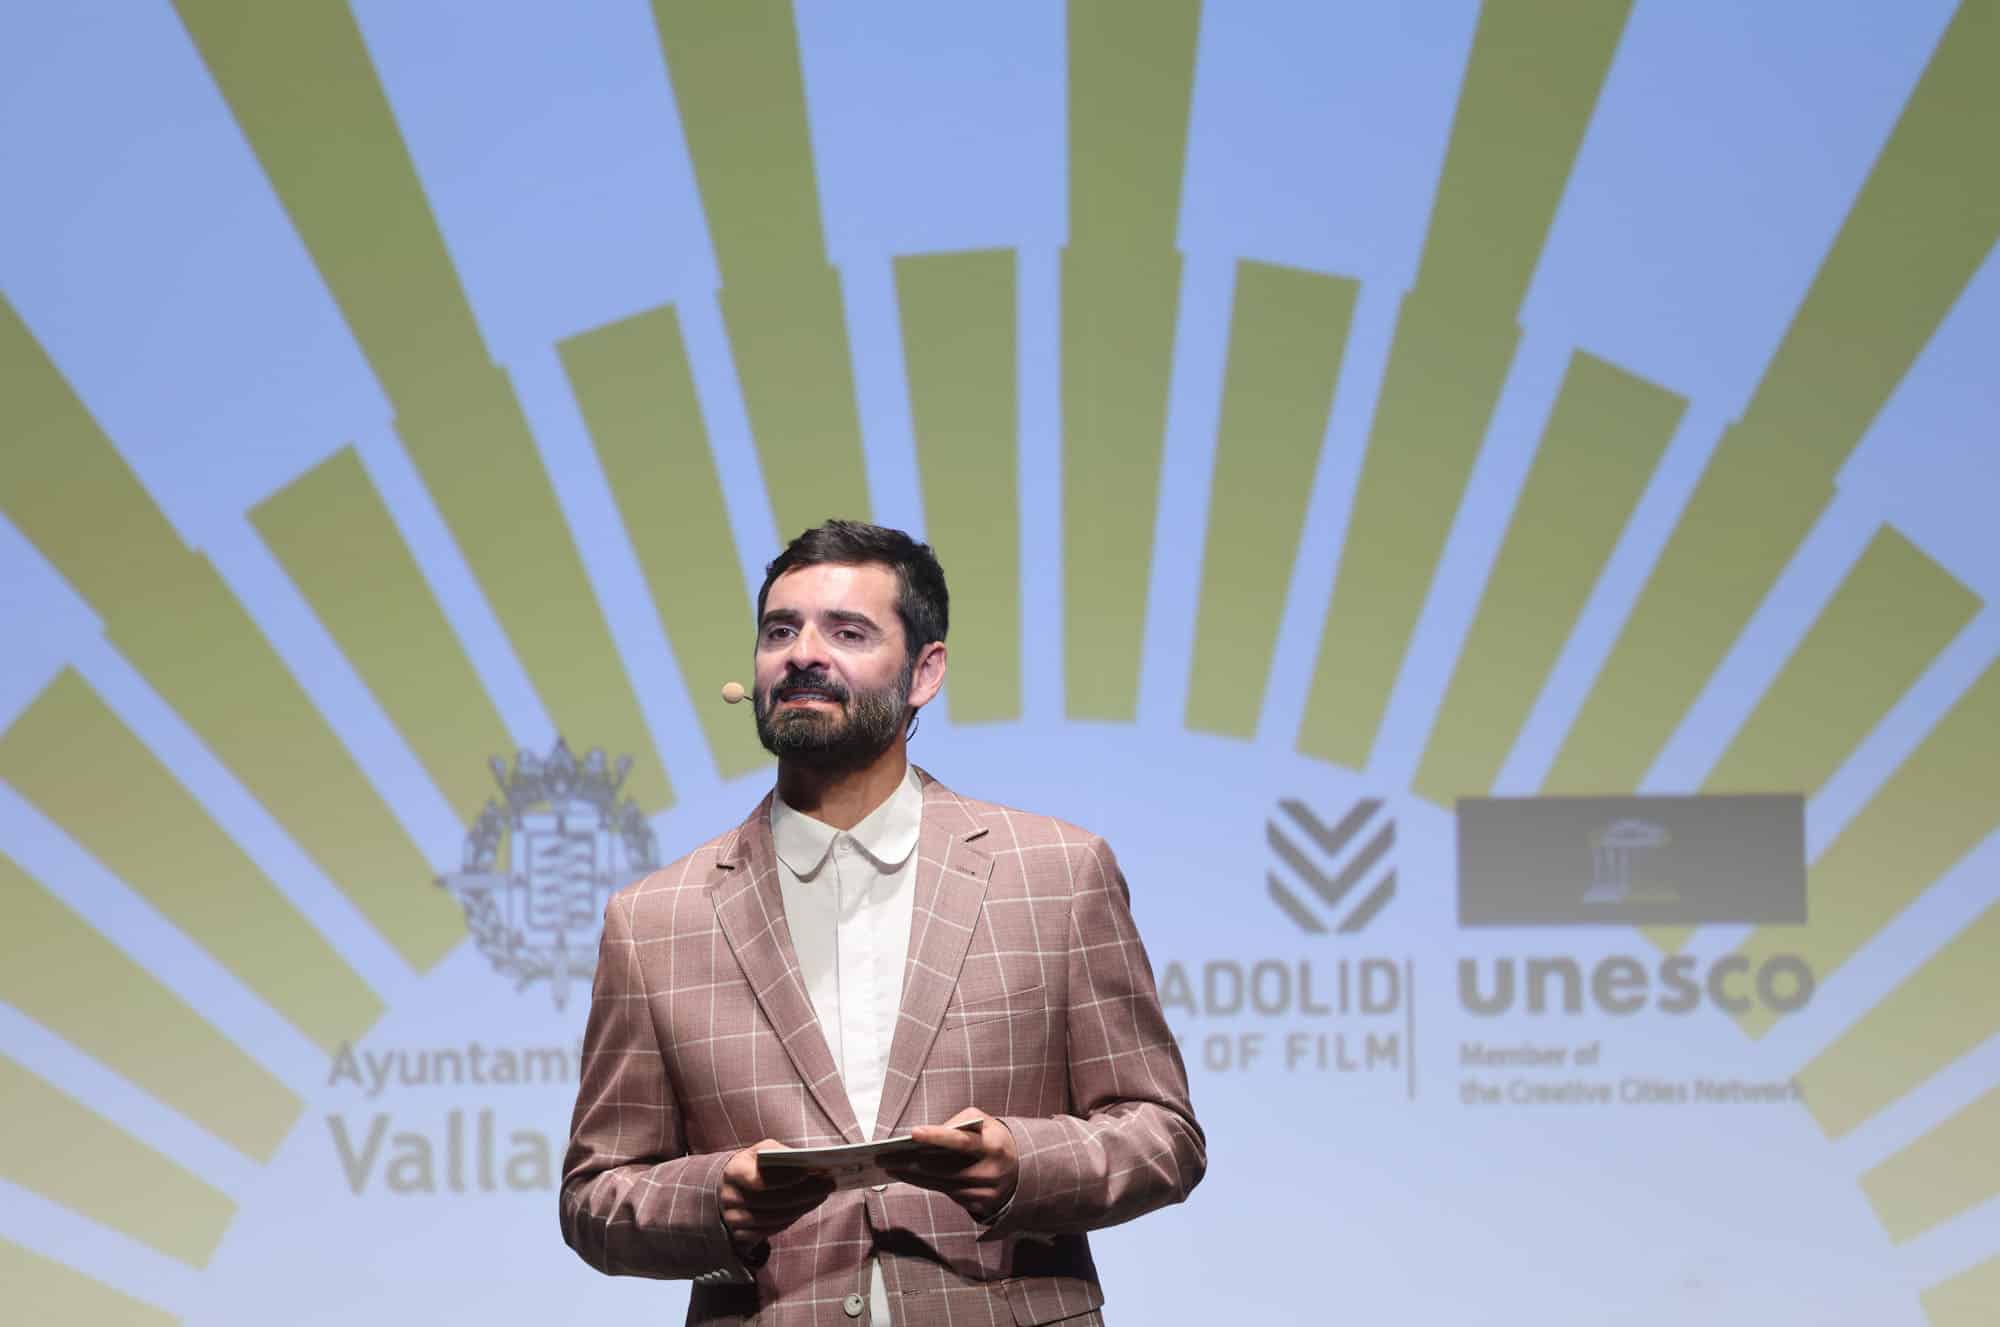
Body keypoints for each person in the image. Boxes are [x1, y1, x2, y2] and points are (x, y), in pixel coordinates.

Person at [561, 519, 1204, 1325]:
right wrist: (713, 1198)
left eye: (848, 632)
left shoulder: (1057, 872)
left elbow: (1163, 1133)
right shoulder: (654, 919)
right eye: (780, 631)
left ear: (924, 671)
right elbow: (595, 1194)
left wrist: (1022, 1163)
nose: (802, 654)